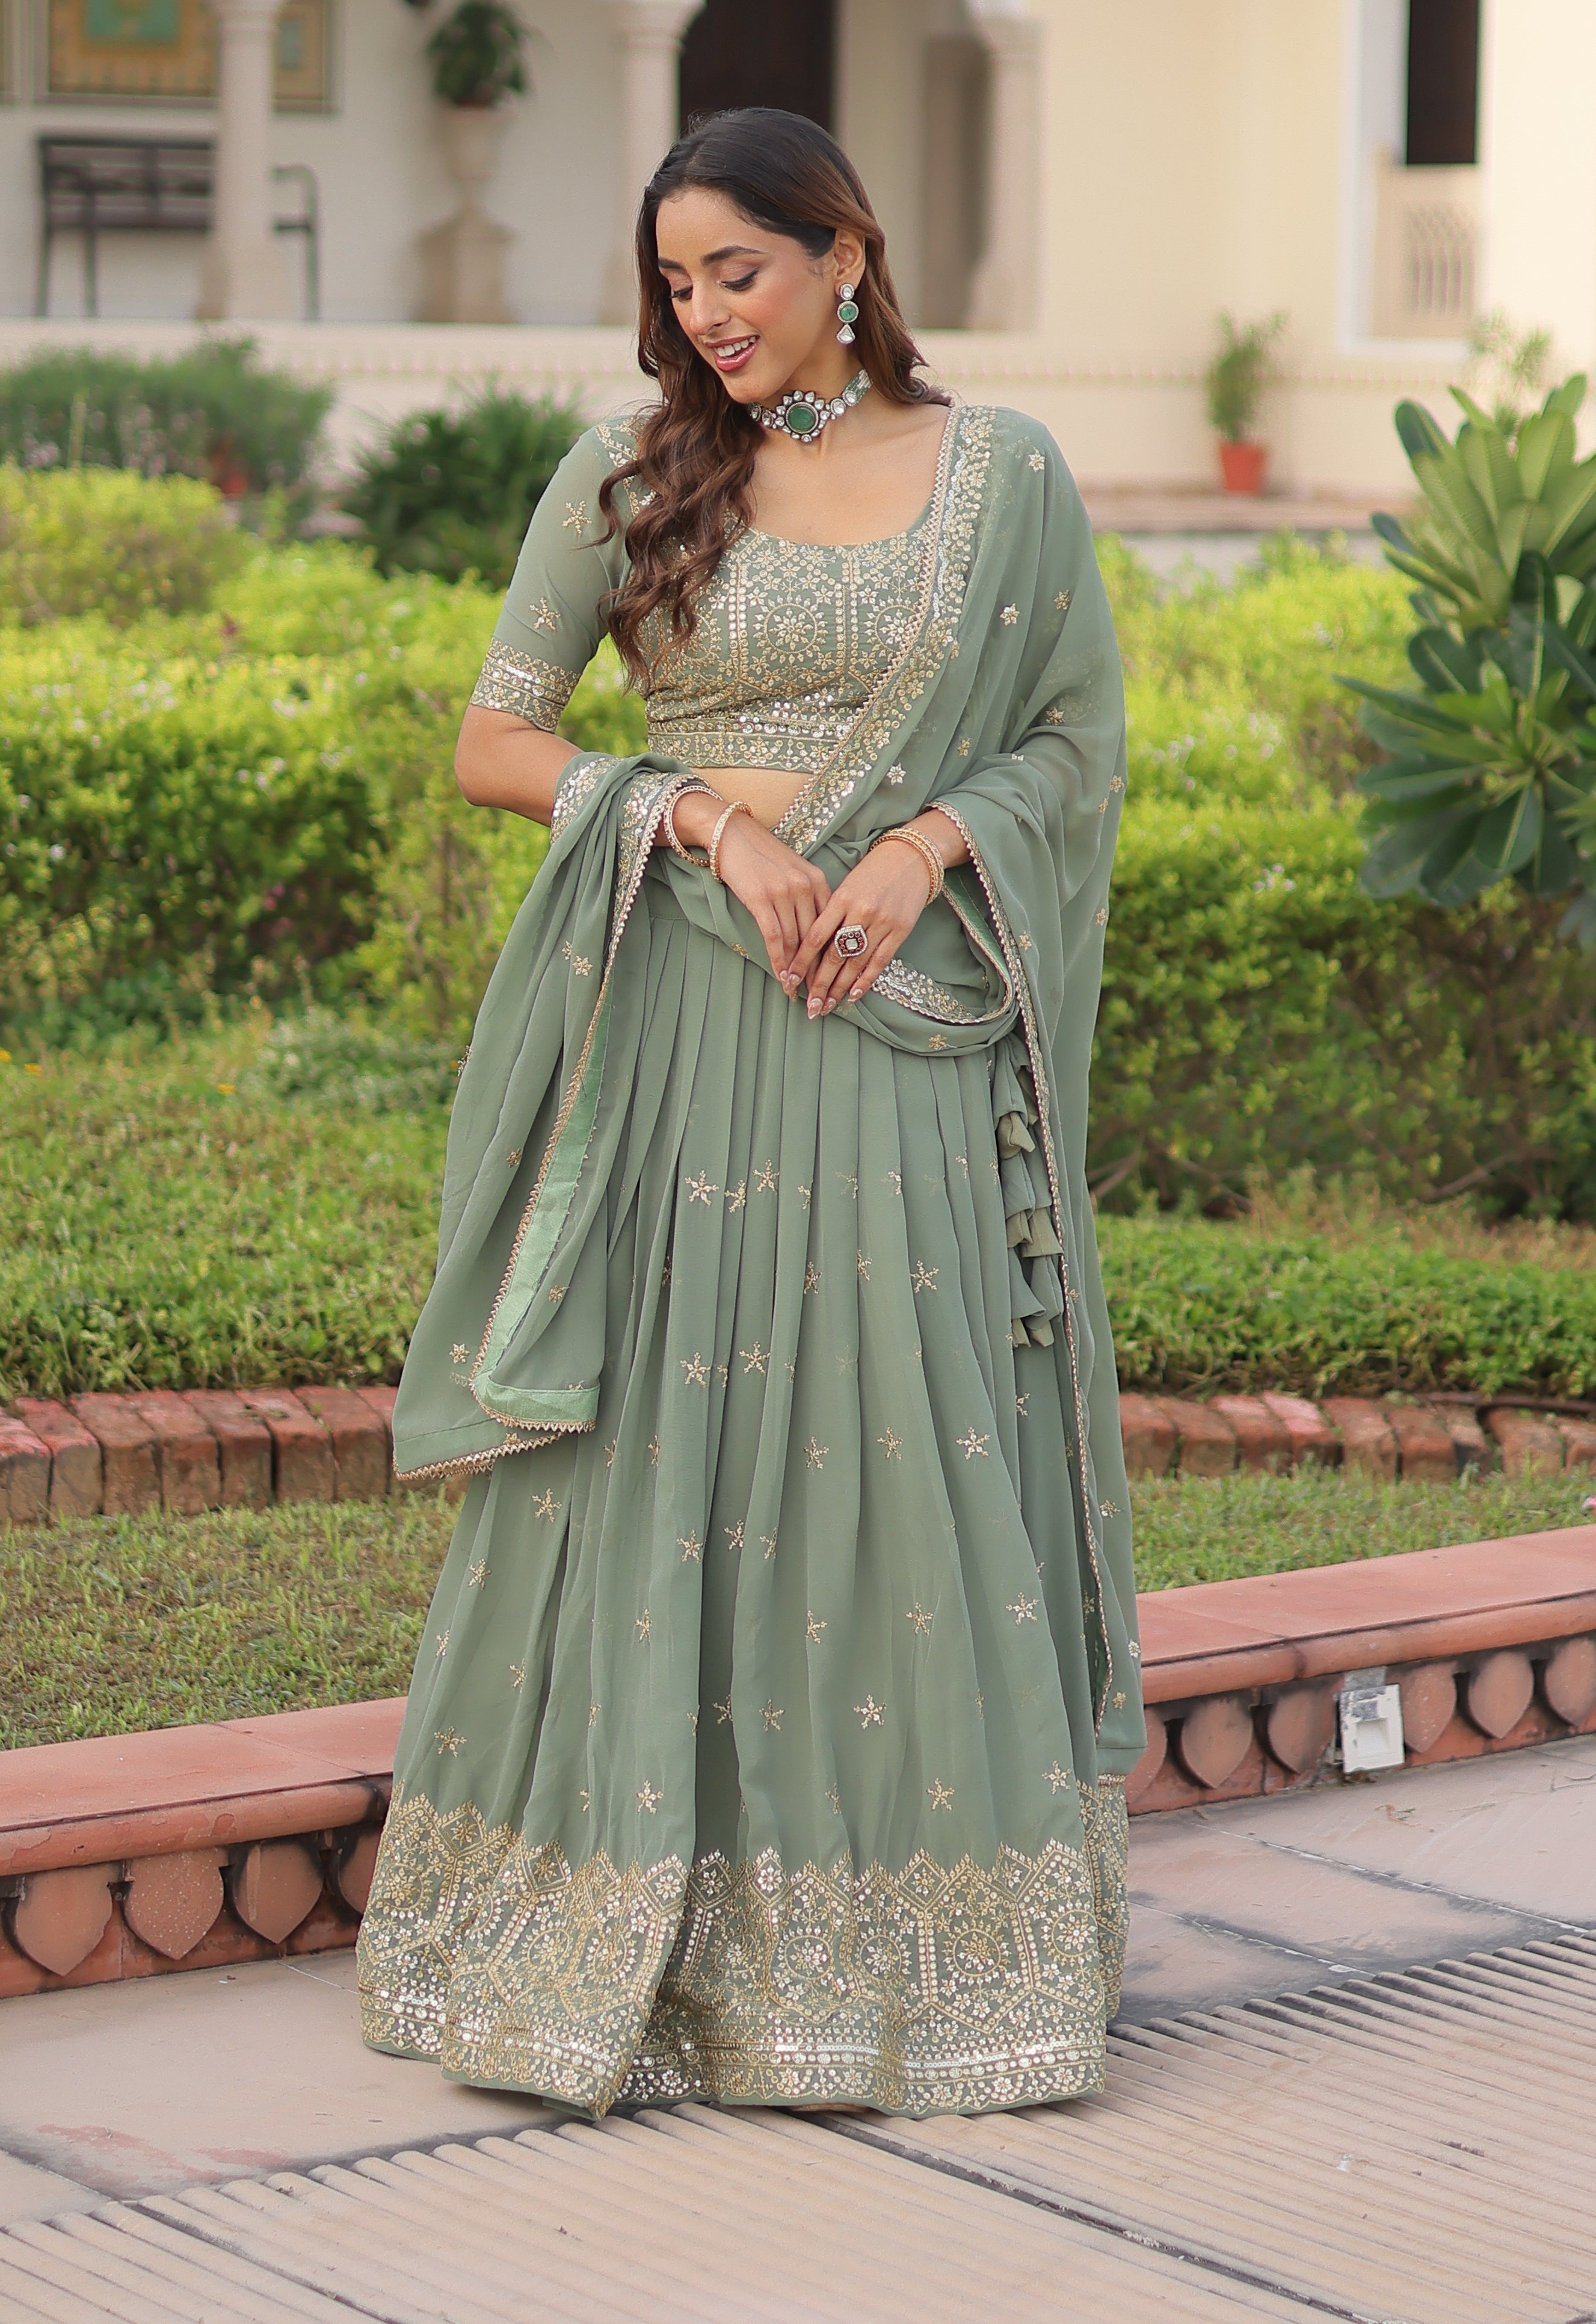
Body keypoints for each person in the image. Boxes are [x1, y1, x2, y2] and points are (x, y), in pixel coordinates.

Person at [357, 107, 1139, 2119]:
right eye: (676, 281)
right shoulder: (631, 475)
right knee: (659, 1449)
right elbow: (499, 739)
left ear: (843, 254)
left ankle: (913, 1963)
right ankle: (617, 1944)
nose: (706, 313)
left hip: (900, 1021)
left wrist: (924, 847)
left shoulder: (1001, 478)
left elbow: (1075, 738)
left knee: (900, 1435)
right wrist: (705, 819)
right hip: (688, 1020)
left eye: (740, 271)